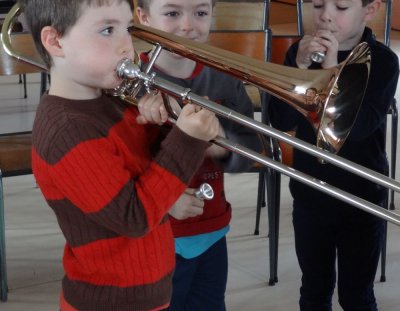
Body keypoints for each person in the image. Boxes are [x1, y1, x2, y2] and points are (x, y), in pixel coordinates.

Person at [21, 0, 221, 310]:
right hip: (111, 301)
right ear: (55, 41)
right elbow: (135, 217)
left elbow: (142, 165)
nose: (127, 46)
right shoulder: (67, 132)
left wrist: (165, 126)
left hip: (146, 291)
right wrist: (186, 140)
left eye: (126, 29)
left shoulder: (107, 100)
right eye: (106, 30)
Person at [268, 0, 399, 310]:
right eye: (317, 4)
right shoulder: (299, 55)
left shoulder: (383, 61)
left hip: (362, 197)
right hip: (310, 192)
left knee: (356, 294)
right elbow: (281, 121)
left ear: (370, 9)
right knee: (314, 289)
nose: (325, 14)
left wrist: (329, 72)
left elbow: (361, 126)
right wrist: (296, 68)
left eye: (340, 6)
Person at [135, 0, 261, 310]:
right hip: (156, 234)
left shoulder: (224, 78)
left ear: (212, 14)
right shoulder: (131, 81)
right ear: (144, 17)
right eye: (172, 13)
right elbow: (120, 169)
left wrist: (218, 144)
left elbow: (250, 147)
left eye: (200, 13)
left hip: (212, 228)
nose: (188, 25)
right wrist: (165, 203)